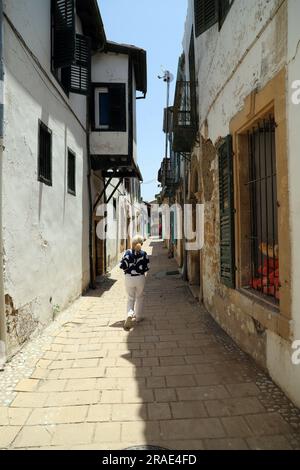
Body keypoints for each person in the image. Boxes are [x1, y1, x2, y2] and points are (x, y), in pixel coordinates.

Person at [119, 235, 150, 330]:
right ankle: (138, 317)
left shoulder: (127, 253)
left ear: (132, 243)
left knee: (130, 298)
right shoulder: (144, 254)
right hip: (140, 278)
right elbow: (147, 267)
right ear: (141, 243)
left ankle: (130, 313)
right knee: (139, 296)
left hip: (129, 278)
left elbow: (122, 266)